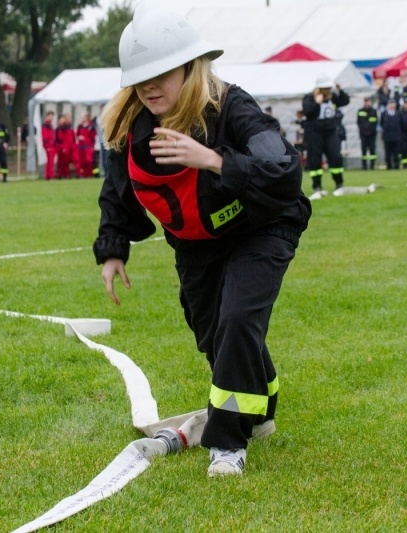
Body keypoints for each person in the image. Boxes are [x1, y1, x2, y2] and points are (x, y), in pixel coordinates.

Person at [94, 5, 311, 477]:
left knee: (238, 317)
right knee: (214, 334)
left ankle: (228, 442)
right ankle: (261, 409)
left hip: (262, 226)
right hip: (197, 245)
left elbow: (285, 173)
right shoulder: (133, 126)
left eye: (163, 74)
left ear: (193, 68)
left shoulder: (233, 107)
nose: (151, 87)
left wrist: (212, 160)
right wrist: (112, 247)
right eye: (141, 78)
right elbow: (119, 187)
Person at [302, 74, 349, 192]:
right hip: (314, 133)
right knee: (315, 159)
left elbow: (345, 101)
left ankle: (339, 183)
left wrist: (340, 89)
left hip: (330, 132)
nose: (328, 91)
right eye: (326, 89)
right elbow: (307, 112)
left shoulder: (332, 97)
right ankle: (317, 186)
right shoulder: (309, 98)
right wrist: (316, 103)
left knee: (336, 157)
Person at [356, 97, 378, 170]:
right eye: (365, 101)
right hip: (363, 134)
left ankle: (372, 166)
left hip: (372, 134)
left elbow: (375, 122)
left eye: (368, 101)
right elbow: (359, 122)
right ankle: (364, 166)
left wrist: (371, 131)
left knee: (372, 149)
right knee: (364, 150)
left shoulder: (373, 111)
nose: (367, 103)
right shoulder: (360, 111)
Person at [380, 99, 402, 170]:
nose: (392, 105)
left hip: (396, 136)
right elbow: (382, 123)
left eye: (393, 104)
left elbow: (401, 124)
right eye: (390, 104)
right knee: (388, 152)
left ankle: (396, 165)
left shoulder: (398, 113)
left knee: (396, 152)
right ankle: (389, 165)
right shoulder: (384, 114)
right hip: (387, 136)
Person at [76, 111, 97, 178]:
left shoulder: (91, 126)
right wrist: (79, 137)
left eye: (83, 117)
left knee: (89, 160)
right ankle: (83, 175)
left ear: (87, 117)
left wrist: (92, 146)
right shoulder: (80, 126)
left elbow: (93, 137)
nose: (82, 118)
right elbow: (77, 134)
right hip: (81, 146)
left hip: (88, 146)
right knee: (82, 162)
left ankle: (90, 174)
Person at [41, 110, 57, 180]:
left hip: (52, 145)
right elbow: (45, 136)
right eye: (50, 116)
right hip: (49, 145)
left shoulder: (50, 125)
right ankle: (50, 175)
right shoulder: (46, 125)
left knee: (51, 161)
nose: (51, 117)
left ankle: (48, 175)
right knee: (50, 161)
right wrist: (47, 145)